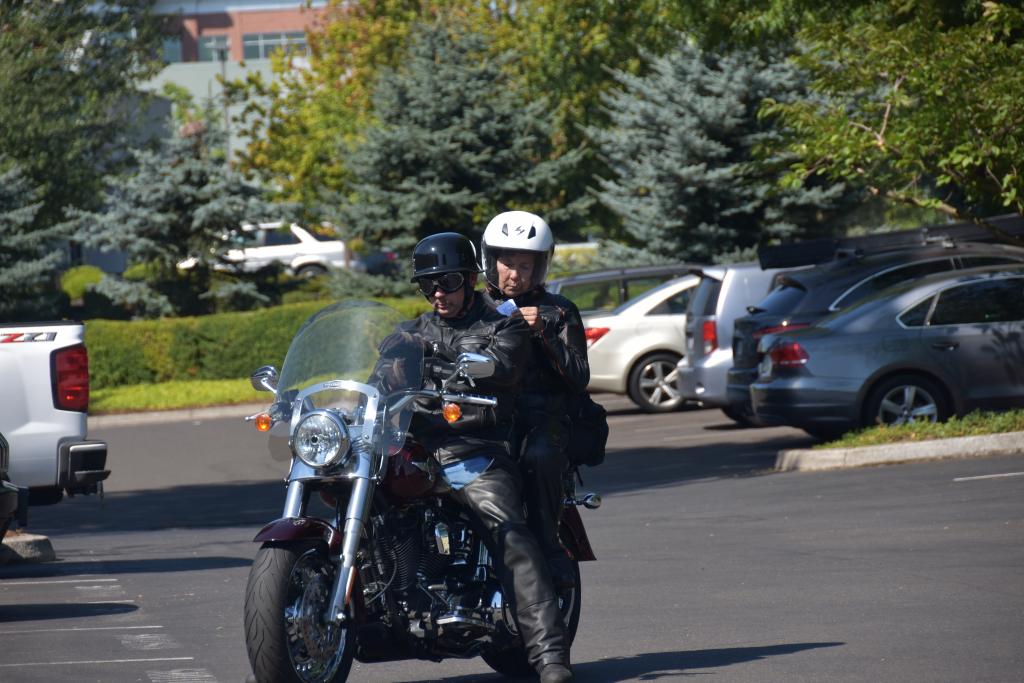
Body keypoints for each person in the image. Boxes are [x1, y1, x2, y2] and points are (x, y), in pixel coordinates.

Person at [378, 232, 574, 683]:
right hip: (417, 446)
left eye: (447, 281)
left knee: (509, 534)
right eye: (428, 285)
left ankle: (550, 658)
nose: (438, 293)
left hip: (475, 448)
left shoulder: (503, 324)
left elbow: (501, 367)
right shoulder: (412, 330)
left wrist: (440, 360)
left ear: (469, 279)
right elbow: (381, 377)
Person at [480, 211, 590, 590]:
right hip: (486, 418)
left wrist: (544, 333)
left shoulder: (559, 310)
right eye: (507, 263)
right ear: (490, 261)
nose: (515, 274)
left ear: (540, 266)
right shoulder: (474, 309)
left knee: (538, 456)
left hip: (543, 418)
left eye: (525, 265)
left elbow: (579, 376)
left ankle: (549, 546)